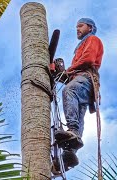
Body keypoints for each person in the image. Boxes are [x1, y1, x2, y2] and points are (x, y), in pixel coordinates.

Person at [55, 18, 104, 170]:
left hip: (86, 79)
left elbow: (88, 59)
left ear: (90, 27)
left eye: (80, 26)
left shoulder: (92, 39)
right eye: (76, 27)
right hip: (82, 81)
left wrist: (67, 71)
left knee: (69, 90)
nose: (77, 29)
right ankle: (70, 153)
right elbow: (72, 73)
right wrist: (60, 74)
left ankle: (73, 131)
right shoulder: (81, 45)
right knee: (79, 113)